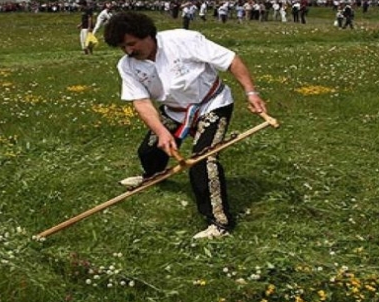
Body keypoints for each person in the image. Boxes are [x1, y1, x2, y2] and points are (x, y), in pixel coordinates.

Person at [104, 12, 268, 239]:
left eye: (131, 44)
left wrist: (251, 93)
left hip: (212, 104)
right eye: (123, 47)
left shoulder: (183, 40)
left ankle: (219, 223)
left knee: (203, 160)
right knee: (150, 150)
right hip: (175, 110)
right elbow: (141, 102)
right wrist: (161, 132)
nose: (129, 51)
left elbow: (231, 60)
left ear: (147, 35)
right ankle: (153, 175)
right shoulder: (128, 65)